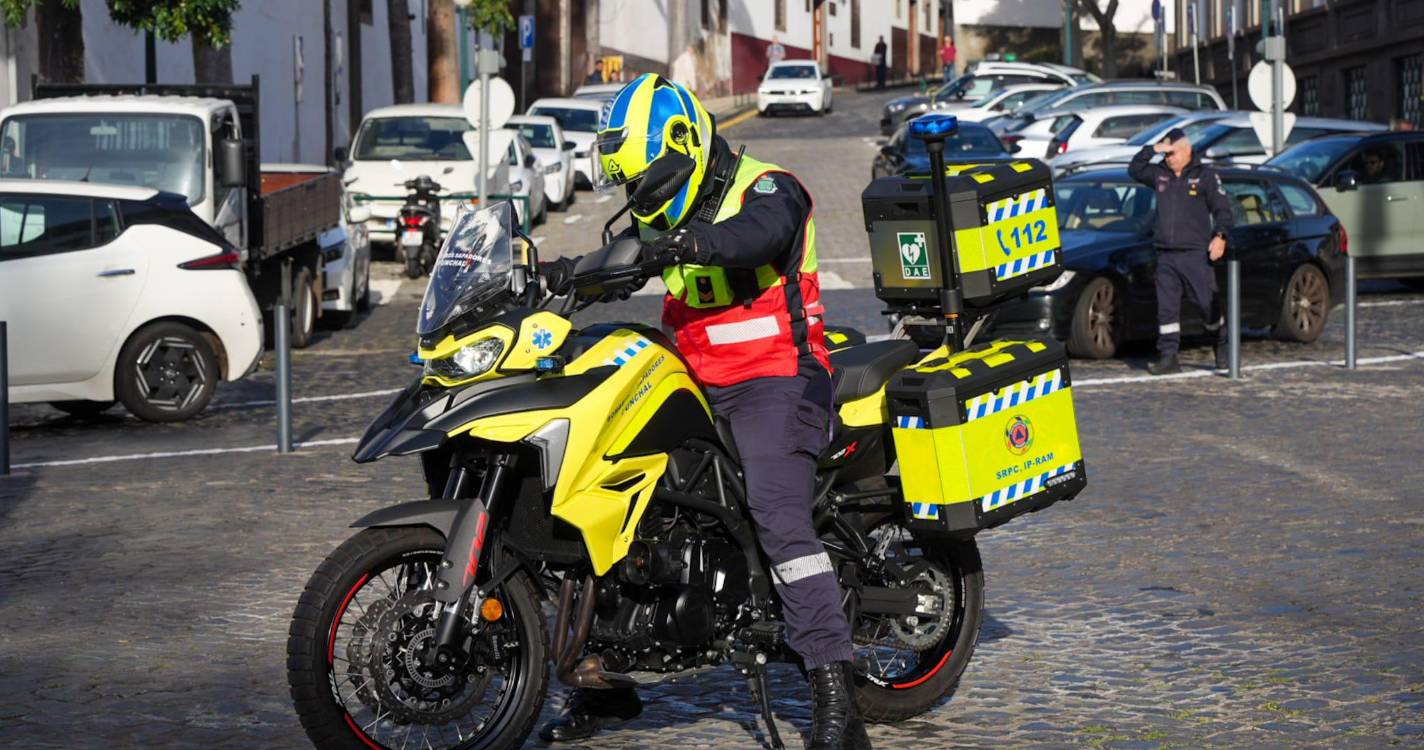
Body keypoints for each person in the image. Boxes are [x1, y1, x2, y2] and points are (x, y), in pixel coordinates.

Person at [537, 73, 871, 750]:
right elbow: (628, 262)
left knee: (780, 519)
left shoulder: (770, 188)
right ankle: (602, 679)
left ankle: (836, 694)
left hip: (777, 377)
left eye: (650, 180)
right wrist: (565, 275)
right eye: (634, 188)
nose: (644, 199)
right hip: (691, 377)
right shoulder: (664, 207)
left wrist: (687, 245)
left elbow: (757, 235)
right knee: (606, 493)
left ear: (687, 142)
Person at [1128, 128, 1235, 375]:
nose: (1169, 158)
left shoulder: (1205, 176)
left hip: (1195, 253)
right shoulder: (1160, 174)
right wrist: (1152, 149)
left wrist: (1220, 236)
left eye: (1173, 153)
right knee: (1166, 308)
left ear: (1187, 151)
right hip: (1166, 254)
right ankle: (1169, 357)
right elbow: (1134, 169)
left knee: (1207, 304)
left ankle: (1221, 344)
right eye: (1166, 154)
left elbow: (1222, 210)